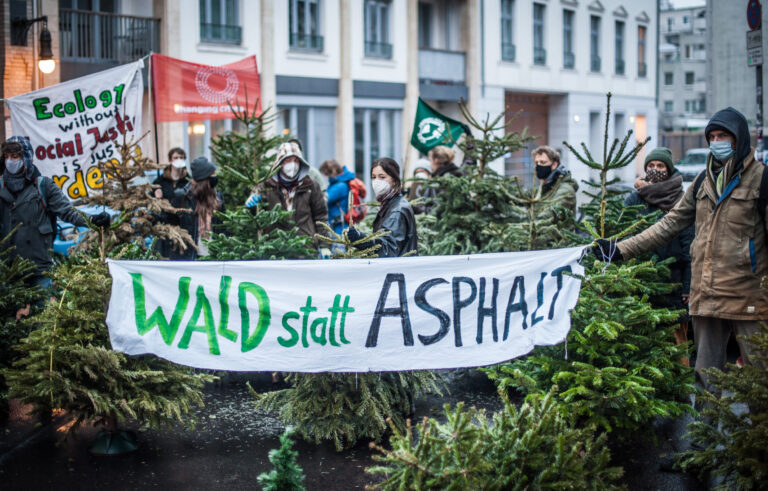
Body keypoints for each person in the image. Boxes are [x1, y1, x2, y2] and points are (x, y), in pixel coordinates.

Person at [594, 107, 767, 395]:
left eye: (723, 135)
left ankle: (754, 439)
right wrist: (620, 250)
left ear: (739, 139)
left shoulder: (761, 180)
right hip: (706, 294)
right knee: (705, 376)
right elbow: (668, 224)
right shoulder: (701, 182)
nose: (716, 141)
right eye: (711, 136)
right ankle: (703, 439)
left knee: (758, 375)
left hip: (747, 296)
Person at [0, 136, 110, 308]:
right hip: (7, 271)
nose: (10, 161)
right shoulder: (1, 187)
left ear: (26, 158)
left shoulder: (43, 186)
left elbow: (67, 212)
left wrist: (93, 220)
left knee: (41, 318)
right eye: (7, 156)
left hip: (39, 268)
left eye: (15, 157)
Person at [624, 147, 694, 366]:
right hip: (641, 280)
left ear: (669, 169)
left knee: (676, 341)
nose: (655, 170)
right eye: (651, 166)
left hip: (672, 282)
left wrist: (687, 286)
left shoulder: (681, 201)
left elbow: (690, 246)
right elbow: (624, 232)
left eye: (660, 166)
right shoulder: (634, 199)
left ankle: (680, 391)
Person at [245, 141, 330, 257]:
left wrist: (325, 245)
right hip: (275, 249)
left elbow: (321, 216)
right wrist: (252, 204)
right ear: (279, 162)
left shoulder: (310, 185)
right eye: (288, 160)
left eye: (296, 161)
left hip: (305, 248)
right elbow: (257, 216)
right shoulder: (266, 186)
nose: (292, 165)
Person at [347, 158, 417, 258]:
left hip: (398, 271)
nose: (376, 182)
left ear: (394, 180)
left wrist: (361, 239)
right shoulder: (389, 204)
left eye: (382, 177)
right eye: (373, 177)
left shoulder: (396, 210)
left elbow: (388, 250)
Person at [153, 147, 195, 259]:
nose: (179, 160)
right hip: (164, 224)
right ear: (170, 160)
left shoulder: (188, 181)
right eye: (176, 157)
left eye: (181, 158)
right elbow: (152, 202)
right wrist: (157, 197)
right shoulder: (160, 181)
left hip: (182, 224)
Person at [184, 156, 225, 259]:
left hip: (213, 256)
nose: (215, 176)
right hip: (192, 256)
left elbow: (223, 227)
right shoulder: (185, 197)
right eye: (213, 174)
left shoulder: (218, 196)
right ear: (204, 179)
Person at [533, 145, 578, 216]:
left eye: (543, 162)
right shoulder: (544, 187)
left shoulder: (566, 190)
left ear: (554, 164)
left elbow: (550, 213)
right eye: (536, 163)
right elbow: (519, 196)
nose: (538, 166)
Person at [319, 159, 355, 235]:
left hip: (339, 227)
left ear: (333, 172)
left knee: (337, 246)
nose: (327, 177)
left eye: (326, 174)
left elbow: (324, 200)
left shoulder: (340, 186)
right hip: (337, 225)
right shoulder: (338, 184)